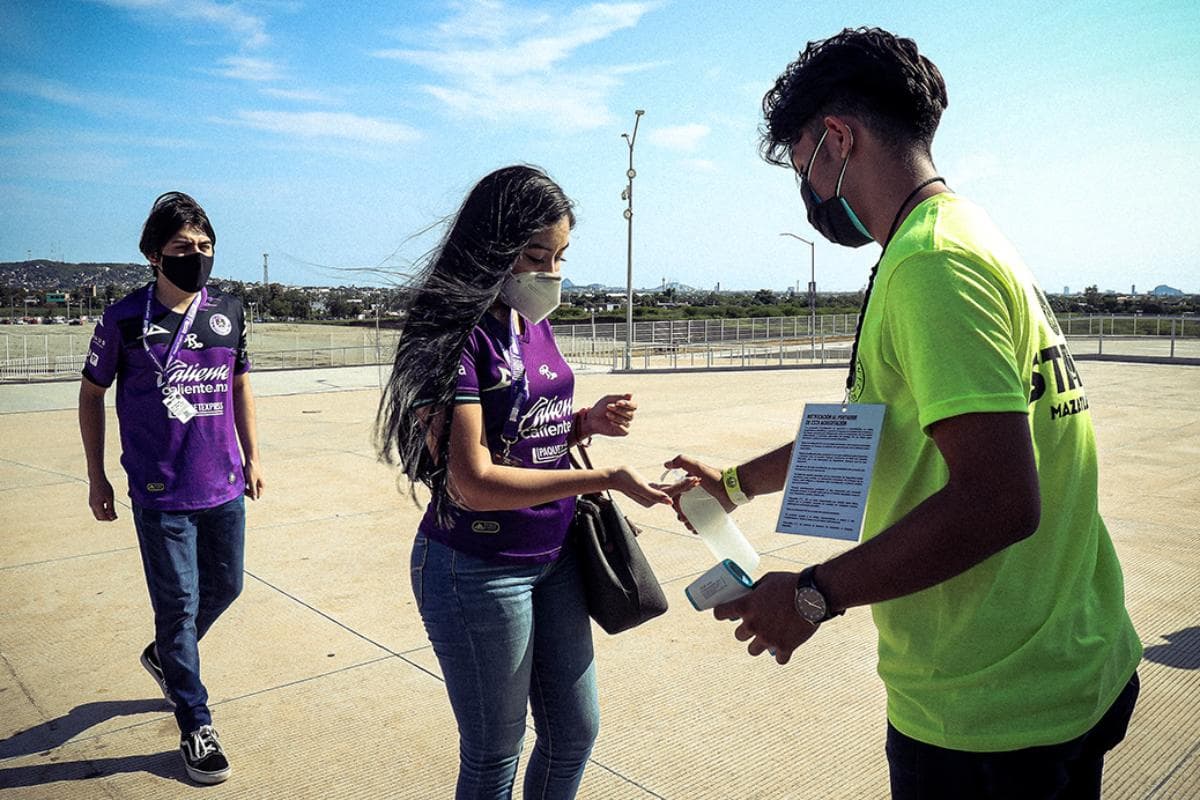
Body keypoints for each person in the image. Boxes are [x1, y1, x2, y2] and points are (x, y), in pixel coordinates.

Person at [666, 28, 1141, 799]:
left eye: (802, 166)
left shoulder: (930, 264)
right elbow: (877, 426)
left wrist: (812, 595)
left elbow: (998, 501)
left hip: (989, 705)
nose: (809, 193)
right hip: (1062, 661)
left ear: (838, 139)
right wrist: (733, 483)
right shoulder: (962, 233)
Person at [377, 165, 672, 799]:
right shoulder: (452, 337)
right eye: (537, 256)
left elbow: (519, 428)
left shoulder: (529, 319)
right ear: (492, 246)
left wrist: (583, 421)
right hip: (478, 566)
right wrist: (603, 477)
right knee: (494, 753)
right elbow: (474, 480)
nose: (551, 273)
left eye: (561, 257)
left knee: (575, 733)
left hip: (554, 555)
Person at [78, 191, 264, 785]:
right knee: (178, 605)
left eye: (206, 246)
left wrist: (254, 456)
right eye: (184, 246)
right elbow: (91, 394)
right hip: (159, 492)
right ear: (154, 254)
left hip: (223, 483)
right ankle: (195, 722)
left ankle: (165, 654)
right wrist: (97, 475)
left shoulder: (228, 312)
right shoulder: (123, 318)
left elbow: (239, 384)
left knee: (226, 586)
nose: (197, 255)